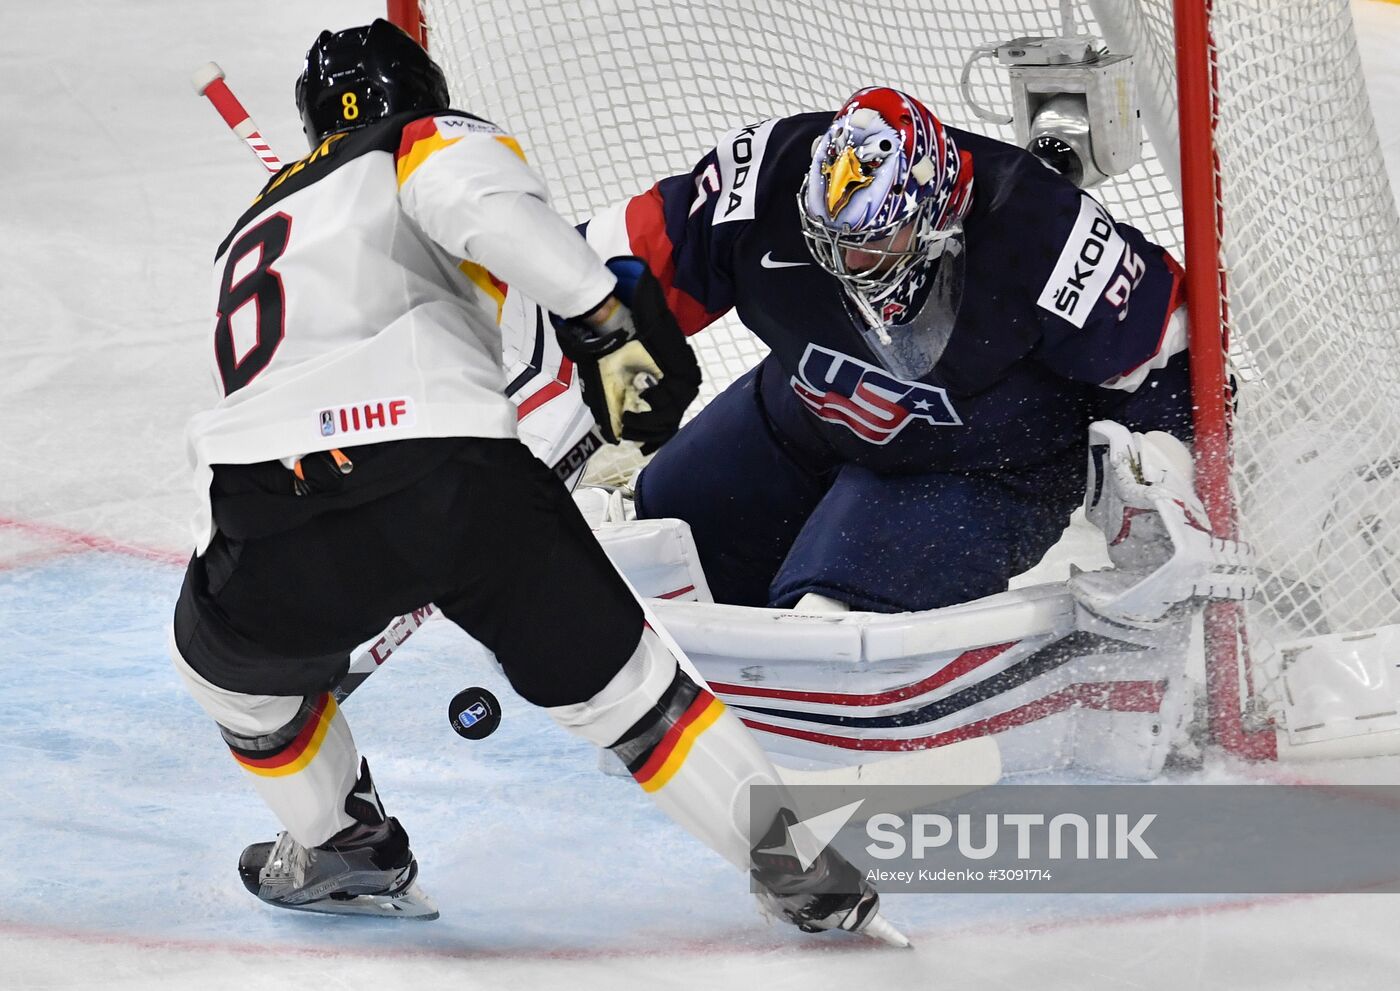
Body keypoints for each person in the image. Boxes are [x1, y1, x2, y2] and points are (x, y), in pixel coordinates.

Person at [169, 20, 900, 942]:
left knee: (232, 681)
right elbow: (465, 193)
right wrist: (597, 311)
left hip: (272, 493)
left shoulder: (252, 229)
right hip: (455, 468)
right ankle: (797, 866)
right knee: (632, 693)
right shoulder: (419, 139)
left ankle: (341, 843)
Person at [582, 87, 1197, 614]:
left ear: (940, 215)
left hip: (985, 461)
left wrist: (1162, 500)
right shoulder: (767, 174)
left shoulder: (1045, 233)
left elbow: (1167, 355)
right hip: (809, 409)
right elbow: (612, 269)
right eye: (832, 238)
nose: (847, 265)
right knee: (672, 514)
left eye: (874, 242)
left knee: (836, 595)